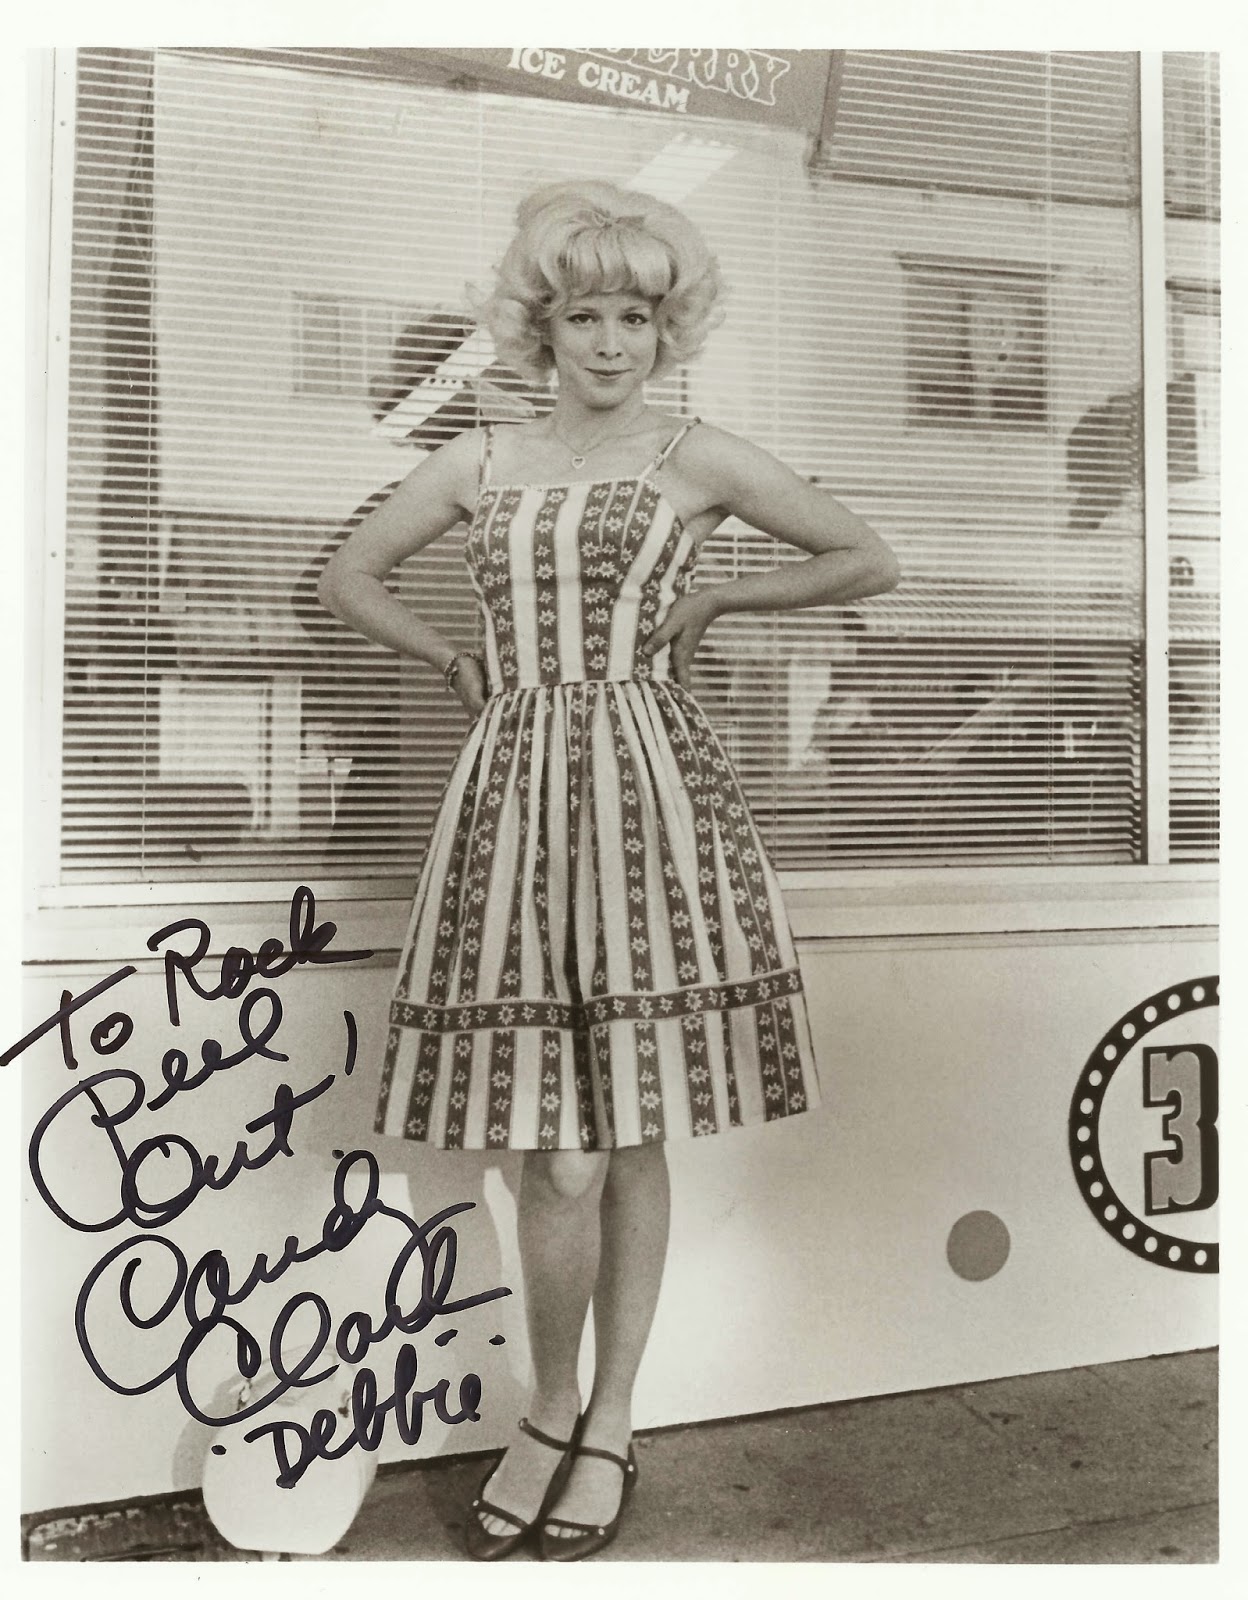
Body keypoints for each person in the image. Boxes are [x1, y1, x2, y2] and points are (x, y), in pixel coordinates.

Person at [318, 179, 900, 1562]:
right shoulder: (483, 458)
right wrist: (453, 661)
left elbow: (865, 556)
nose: (610, 342)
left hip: (651, 797)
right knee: (557, 1149)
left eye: (635, 318)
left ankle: (612, 1419)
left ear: (665, 328)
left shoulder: (695, 456)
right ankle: (549, 1409)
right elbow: (350, 574)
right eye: (585, 316)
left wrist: (721, 593)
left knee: (628, 1130)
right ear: (544, 326)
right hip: (514, 800)